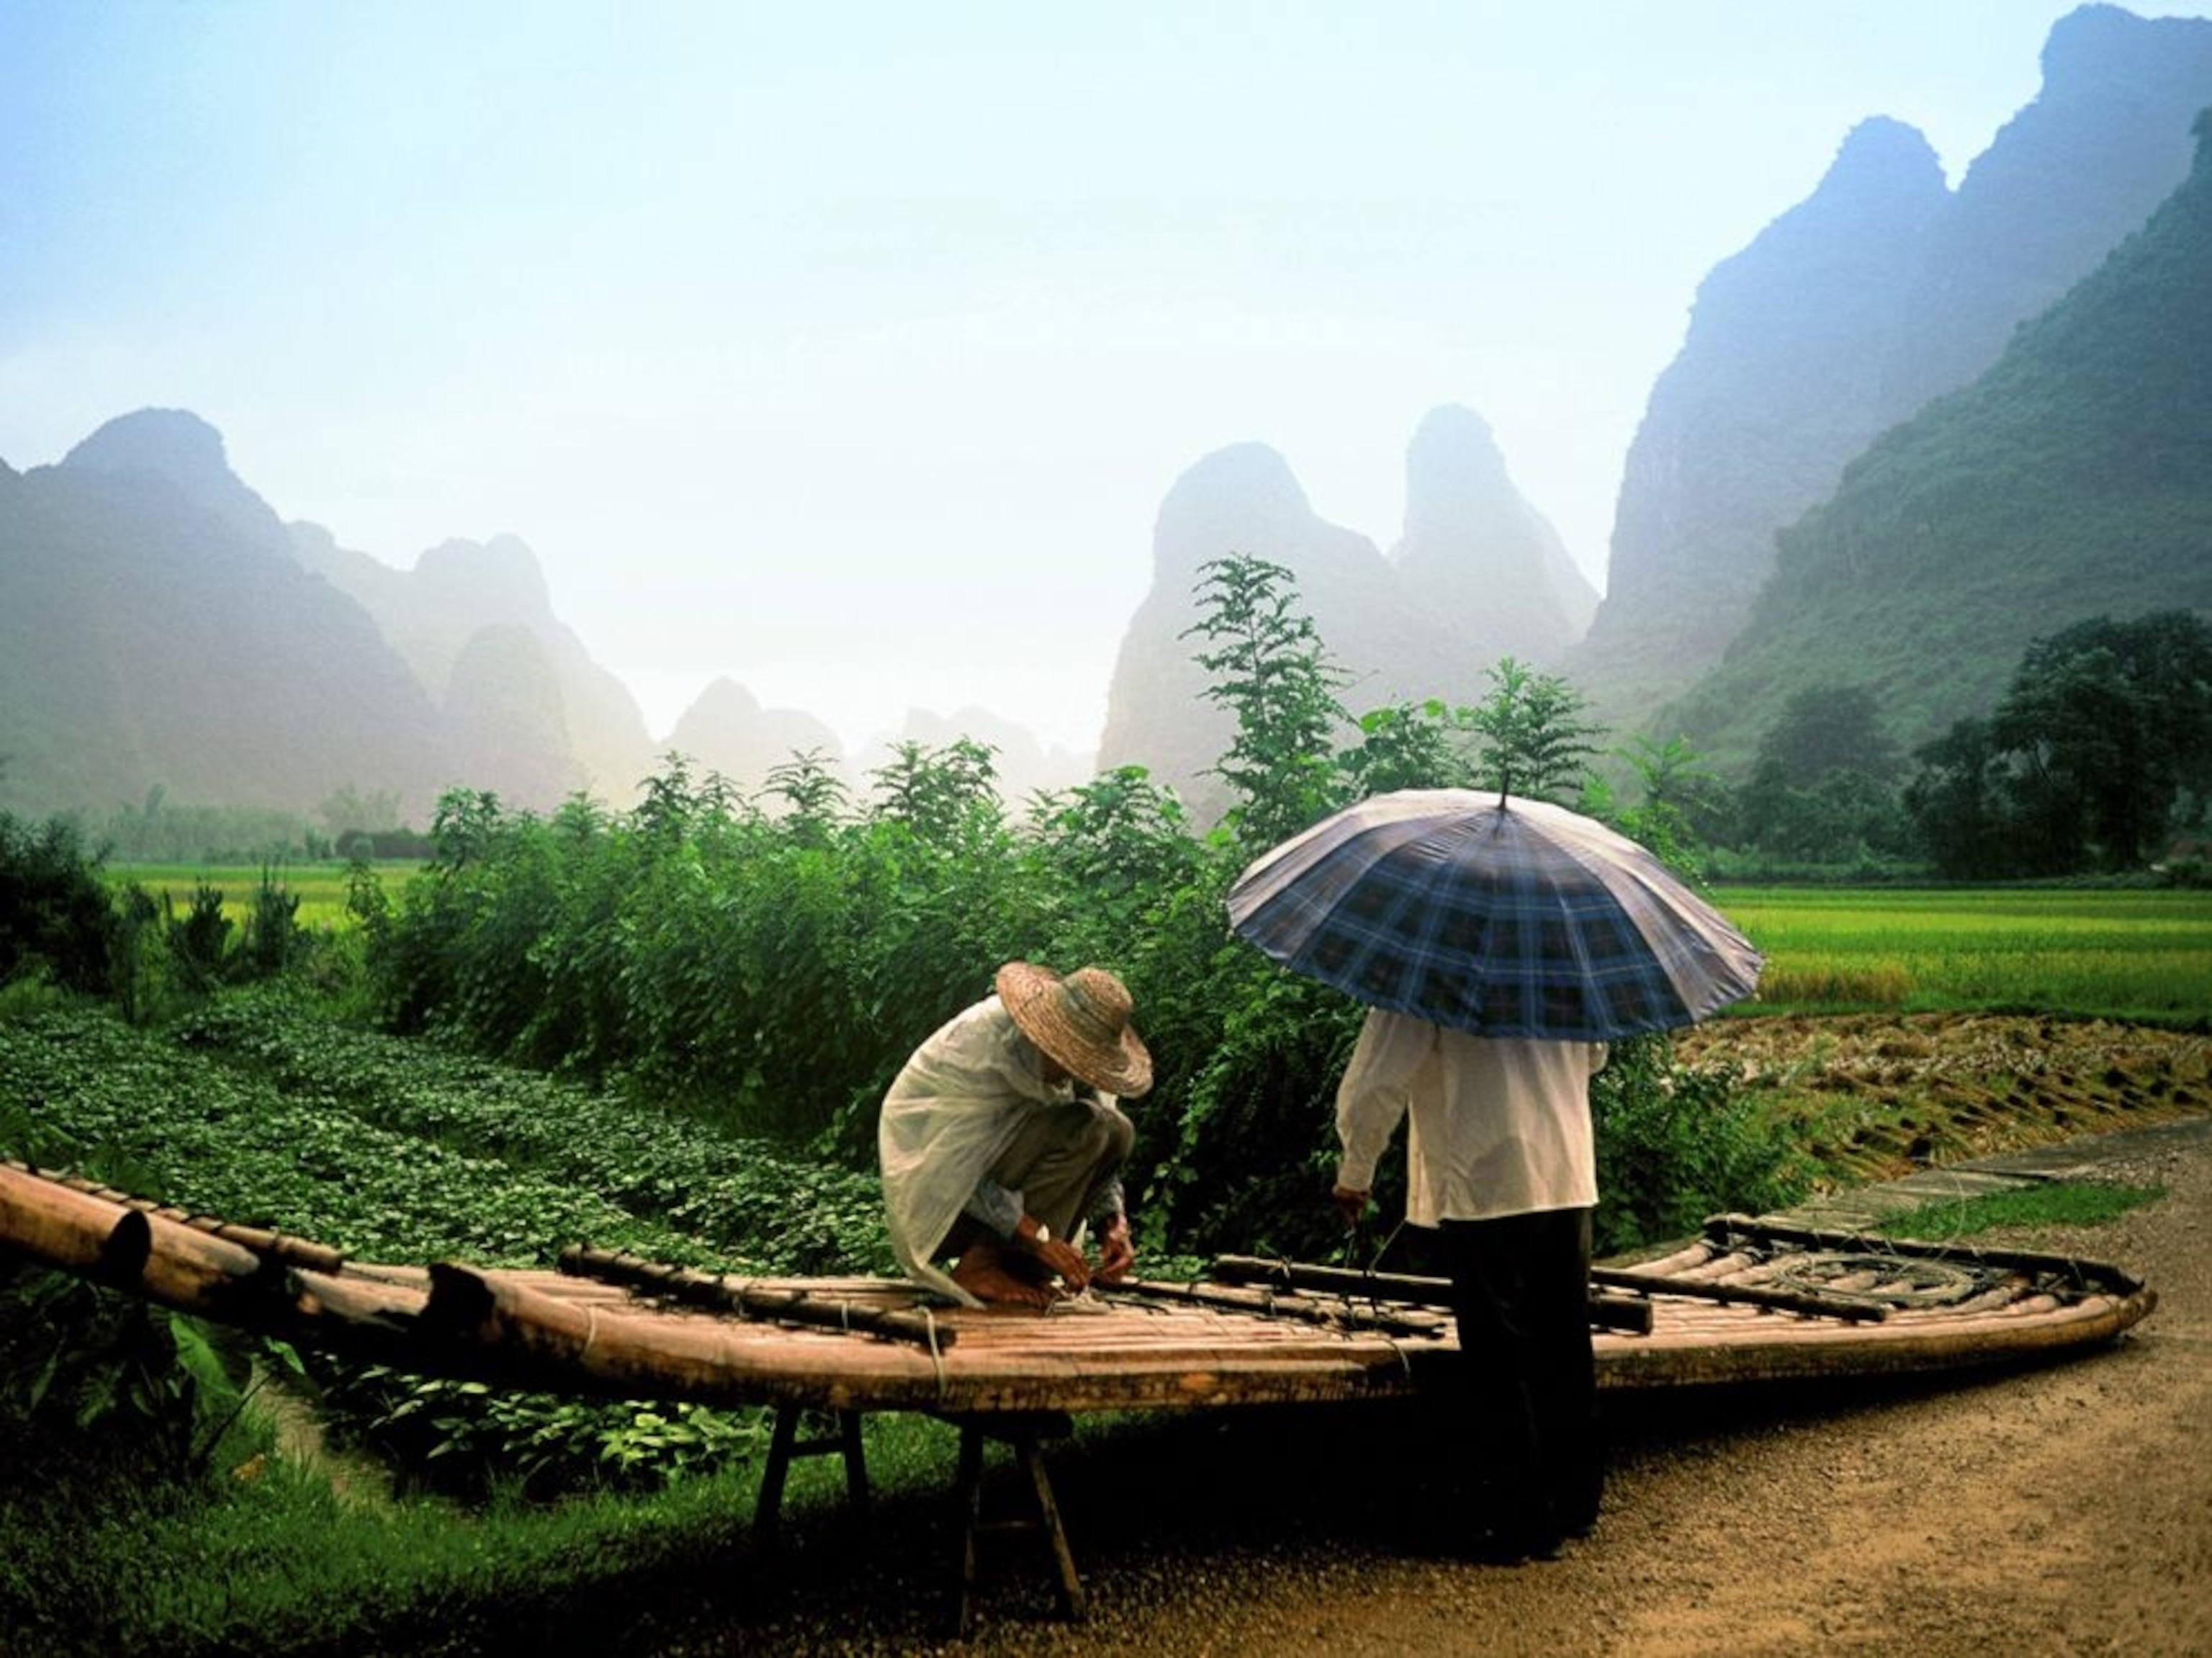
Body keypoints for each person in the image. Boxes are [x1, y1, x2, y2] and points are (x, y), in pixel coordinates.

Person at [1329, 1007, 1607, 1562]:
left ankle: (1518, 1522)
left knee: (1496, 1354)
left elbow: (1379, 1077)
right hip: (1566, 1170)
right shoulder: (1559, 952)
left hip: (1487, 1175)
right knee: (1563, 1339)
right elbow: (1595, 1056)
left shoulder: (1433, 960)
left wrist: (1356, 1170)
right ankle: (1574, 1502)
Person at [879, 961, 1151, 1309]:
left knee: (1117, 1130)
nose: (1074, 1070)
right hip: (938, 1205)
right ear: (1048, 1038)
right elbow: (946, 1171)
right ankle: (979, 1265)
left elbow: (1105, 1142)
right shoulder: (978, 1052)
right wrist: (1037, 1237)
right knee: (1085, 1127)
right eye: (1070, 1058)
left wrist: (1113, 1222)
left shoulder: (1076, 1071)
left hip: (1007, 1198)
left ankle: (1016, 1269)